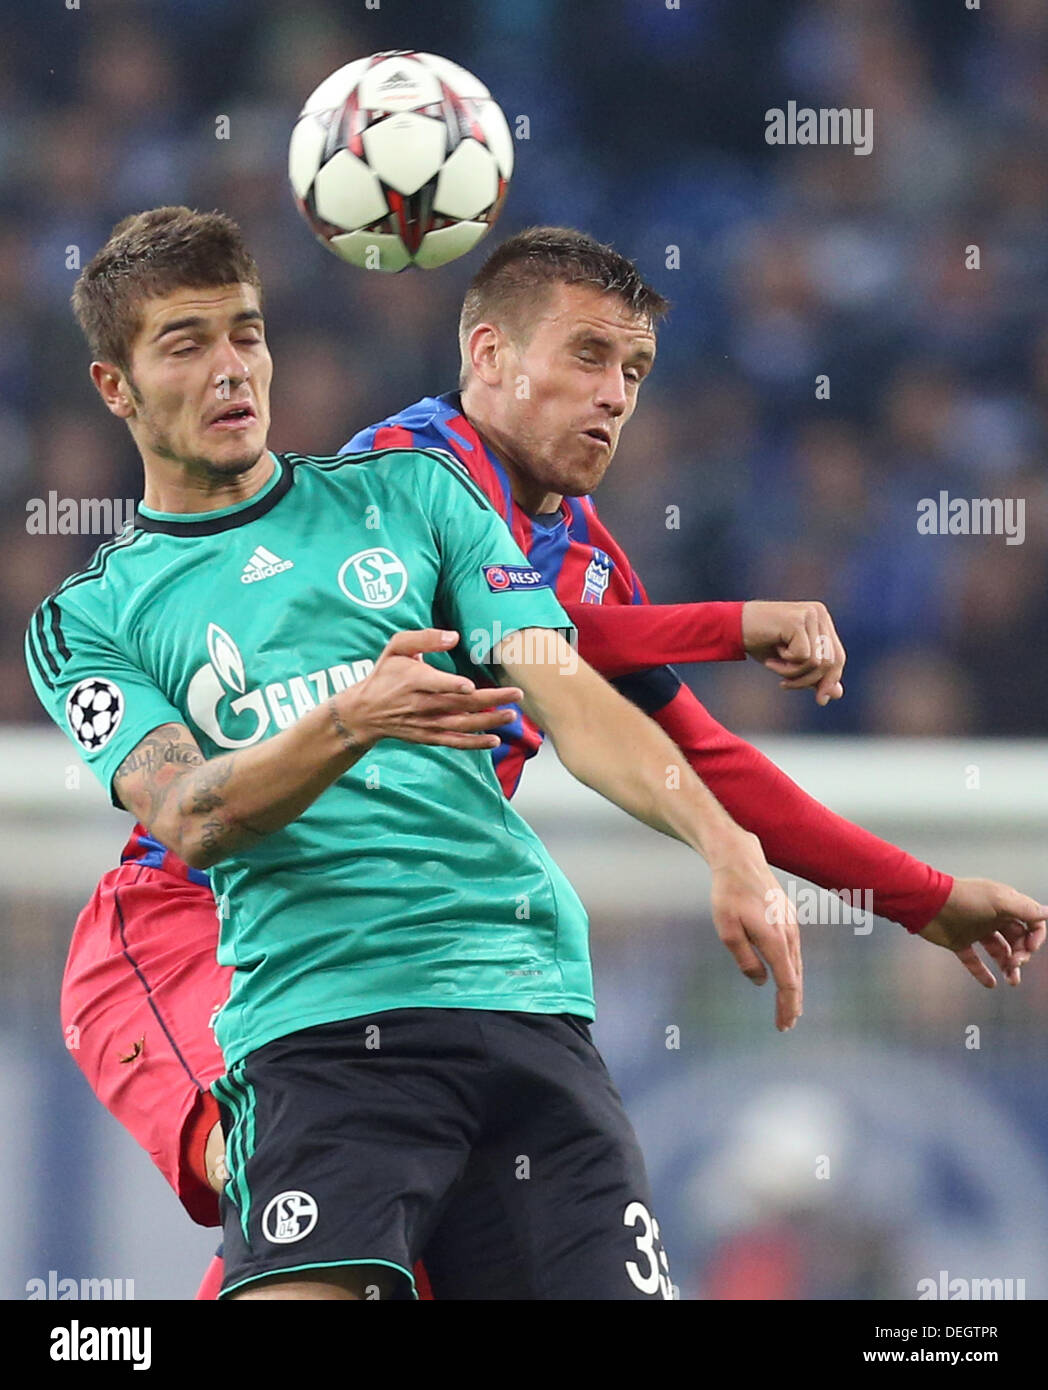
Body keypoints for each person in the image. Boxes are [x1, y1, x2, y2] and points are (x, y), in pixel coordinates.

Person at [39, 216, 1045, 1299]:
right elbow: (524, 647)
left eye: (635, 369)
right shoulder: (399, 470)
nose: (613, 394)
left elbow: (676, 740)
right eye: (585, 357)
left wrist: (912, 894)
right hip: (206, 930)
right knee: (284, 1198)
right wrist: (729, 619)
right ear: (487, 358)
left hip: (485, 975)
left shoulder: (547, 544)